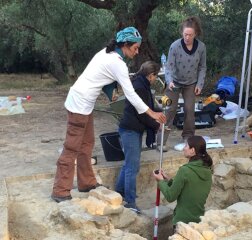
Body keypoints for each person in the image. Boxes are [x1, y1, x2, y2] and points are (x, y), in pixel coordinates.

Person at [51, 27, 166, 203]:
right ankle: (60, 190)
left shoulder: (107, 54)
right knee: (72, 147)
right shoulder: (116, 62)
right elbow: (131, 94)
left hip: (84, 104)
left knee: (87, 144)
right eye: (135, 48)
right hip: (79, 104)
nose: (137, 52)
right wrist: (152, 113)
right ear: (125, 45)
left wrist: (110, 91)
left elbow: (101, 77)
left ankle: (86, 182)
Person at [115, 61, 161, 213]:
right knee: (132, 167)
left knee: (128, 164)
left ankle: (119, 192)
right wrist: (156, 125)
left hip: (131, 129)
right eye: (155, 76)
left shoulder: (141, 84)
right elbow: (142, 113)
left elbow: (148, 107)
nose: (155, 79)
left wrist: (158, 113)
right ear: (150, 75)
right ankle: (130, 201)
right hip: (130, 130)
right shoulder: (140, 87)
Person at [157, 16, 207, 151]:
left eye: (190, 35)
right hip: (174, 83)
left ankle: (188, 138)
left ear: (195, 34)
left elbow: (202, 67)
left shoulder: (201, 47)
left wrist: (199, 84)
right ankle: (160, 141)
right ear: (182, 33)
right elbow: (169, 67)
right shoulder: (174, 46)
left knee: (190, 110)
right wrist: (169, 81)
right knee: (169, 109)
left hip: (191, 83)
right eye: (185, 34)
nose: (187, 37)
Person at [153, 135, 213, 228]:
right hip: (198, 221)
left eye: (186, 146)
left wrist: (160, 181)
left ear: (192, 150)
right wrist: (168, 180)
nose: (183, 149)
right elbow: (188, 188)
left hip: (182, 223)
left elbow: (170, 196)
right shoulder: (207, 170)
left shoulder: (185, 170)